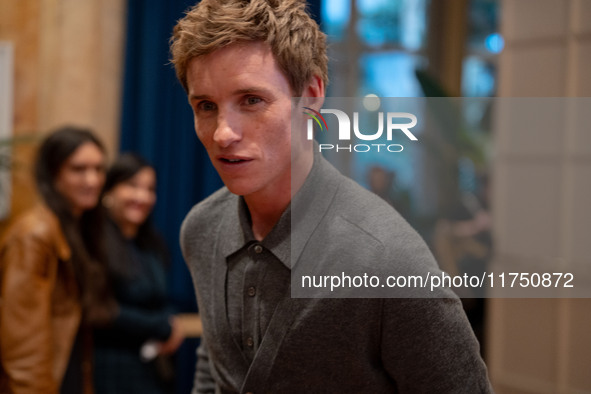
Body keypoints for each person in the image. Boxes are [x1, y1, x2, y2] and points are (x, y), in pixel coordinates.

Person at [172, 0, 492, 392]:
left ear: (311, 94)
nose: (223, 133)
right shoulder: (201, 228)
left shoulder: (386, 259)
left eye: (251, 100)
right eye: (206, 106)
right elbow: (216, 368)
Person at [0, 126, 114, 394]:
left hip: (66, 372)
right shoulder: (35, 235)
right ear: (53, 175)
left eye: (98, 169)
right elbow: (23, 346)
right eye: (78, 169)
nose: (92, 180)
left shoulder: (75, 228)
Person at [94, 153, 185, 394]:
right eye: (132, 186)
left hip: (153, 368)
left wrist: (171, 320)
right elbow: (101, 310)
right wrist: (163, 326)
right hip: (110, 367)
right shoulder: (95, 242)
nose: (142, 197)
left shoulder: (151, 243)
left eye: (149, 189)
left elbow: (159, 298)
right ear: (109, 191)